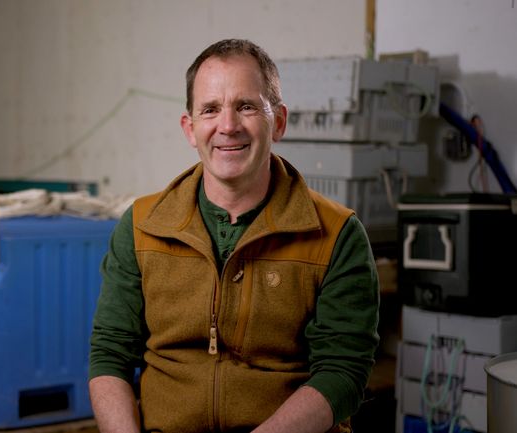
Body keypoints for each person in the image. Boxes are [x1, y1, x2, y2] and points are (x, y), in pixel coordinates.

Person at [88, 38, 380, 433]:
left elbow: (344, 372)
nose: (227, 126)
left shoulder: (336, 234)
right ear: (190, 129)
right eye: (210, 109)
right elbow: (110, 356)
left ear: (278, 121)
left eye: (246, 106)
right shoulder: (141, 226)